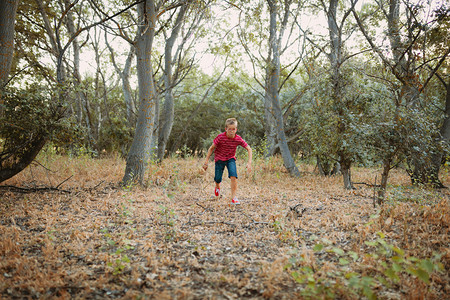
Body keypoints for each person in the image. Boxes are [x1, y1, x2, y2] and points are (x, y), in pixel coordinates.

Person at [203, 118, 252, 205]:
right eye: (230, 129)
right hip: (219, 159)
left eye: (234, 129)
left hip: (230, 159)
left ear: (236, 129)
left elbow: (249, 148)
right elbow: (211, 148)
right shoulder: (220, 137)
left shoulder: (238, 139)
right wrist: (206, 161)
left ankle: (234, 198)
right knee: (217, 179)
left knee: (233, 176)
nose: (232, 131)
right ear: (226, 129)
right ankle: (217, 187)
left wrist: (249, 163)